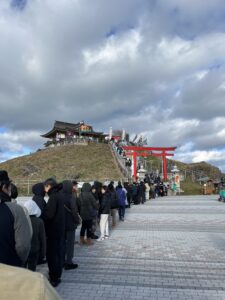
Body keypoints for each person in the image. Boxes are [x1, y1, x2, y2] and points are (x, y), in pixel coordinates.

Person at [0, 170, 32, 267]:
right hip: (10, 269)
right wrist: (18, 262)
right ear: (4, 187)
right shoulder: (16, 210)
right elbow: (23, 246)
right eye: (9, 186)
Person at [43, 178, 65, 287]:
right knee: (59, 253)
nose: (44, 189)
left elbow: (49, 215)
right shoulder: (60, 195)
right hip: (60, 229)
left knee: (52, 255)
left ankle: (54, 278)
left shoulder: (53, 197)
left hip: (53, 230)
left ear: (49, 186)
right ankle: (58, 275)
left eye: (45, 187)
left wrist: (43, 213)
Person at [23, 199, 46, 272]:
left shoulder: (22, 220)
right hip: (35, 249)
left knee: (22, 268)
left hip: (23, 249)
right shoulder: (39, 221)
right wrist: (43, 252)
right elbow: (42, 238)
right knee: (32, 269)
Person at [62, 180, 80, 270]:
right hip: (70, 224)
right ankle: (69, 262)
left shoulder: (59, 196)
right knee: (70, 243)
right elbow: (74, 211)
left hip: (61, 223)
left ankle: (62, 261)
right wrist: (77, 220)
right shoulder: (71, 197)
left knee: (62, 243)